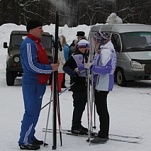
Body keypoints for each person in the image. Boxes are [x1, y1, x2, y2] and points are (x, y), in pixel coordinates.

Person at [18, 20, 59, 150]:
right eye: (39, 28)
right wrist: (49, 68)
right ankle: (24, 141)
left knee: (35, 112)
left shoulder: (37, 43)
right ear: (31, 30)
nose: (42, 30)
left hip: (38, 82)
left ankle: (30, 136)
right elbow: (31, 65)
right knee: (31, 112)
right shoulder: (29, 44)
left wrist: (50, 63)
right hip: (33, 82)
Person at [89, 31, 116, 144]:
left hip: (103, 84)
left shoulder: (106, 51)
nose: (94, 42)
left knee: (102, 109)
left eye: (96, 40)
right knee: (100, 108)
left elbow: (107, 69)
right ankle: (102, 132)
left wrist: (92, 68)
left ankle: (103, 134)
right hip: (100, 83)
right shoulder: (104, 50)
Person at [63, 39, 90, 135]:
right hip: (77, 84)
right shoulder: (75, 56)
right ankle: (75, 126)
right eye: (82, 47)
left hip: (84, 83)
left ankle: (78, 124)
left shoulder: (86, 56)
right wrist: (74, 73)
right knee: (78, 105)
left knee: (82, 105)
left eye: (85, 47)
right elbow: (65, 67)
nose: (84, 49)